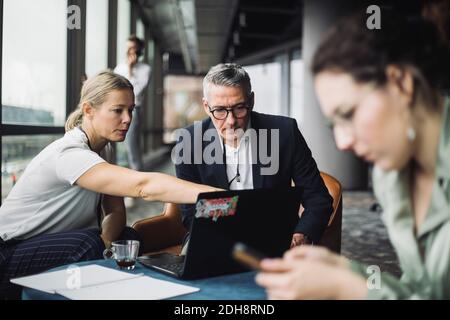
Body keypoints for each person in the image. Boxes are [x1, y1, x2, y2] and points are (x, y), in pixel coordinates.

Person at [256, 11, 450, 299]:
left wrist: (353, 289)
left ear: (401, 84)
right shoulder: (391, 177)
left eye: (349, 114)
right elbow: (426, 292)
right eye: (333, 124)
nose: (341, 142)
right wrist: (344, 272)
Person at [0, 71, 219, 299]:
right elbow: (143, 186)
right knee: (86, 244)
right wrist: (221, 196)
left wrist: (106, 244)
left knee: (127, 237)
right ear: (88, 110)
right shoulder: (69, 154)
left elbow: (115, 211)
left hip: (49, 244)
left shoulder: (103, 149)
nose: (127, 119)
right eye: (117, 110)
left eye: (130, 109)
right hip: (9, 254)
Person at [174, 63, 333, 250]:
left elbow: (318, 198)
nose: (231, 121)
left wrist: (301, 235)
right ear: (206, 107)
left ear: (252, 100)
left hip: (276, 236)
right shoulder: (189, 142)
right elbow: (190, 213)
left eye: (239, 108)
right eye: (220, 111)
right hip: (213, 236)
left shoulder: (285, 132)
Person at [114, 34, 151, 171]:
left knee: (131, 145)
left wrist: (130, 70)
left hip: (132, 110)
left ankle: (137, 175)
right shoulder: (119, 68)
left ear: (139, 51)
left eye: (132, 48)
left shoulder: (145, 69)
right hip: (115, 108)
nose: (129, 51)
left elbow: (135, 93)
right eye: (127, 48)